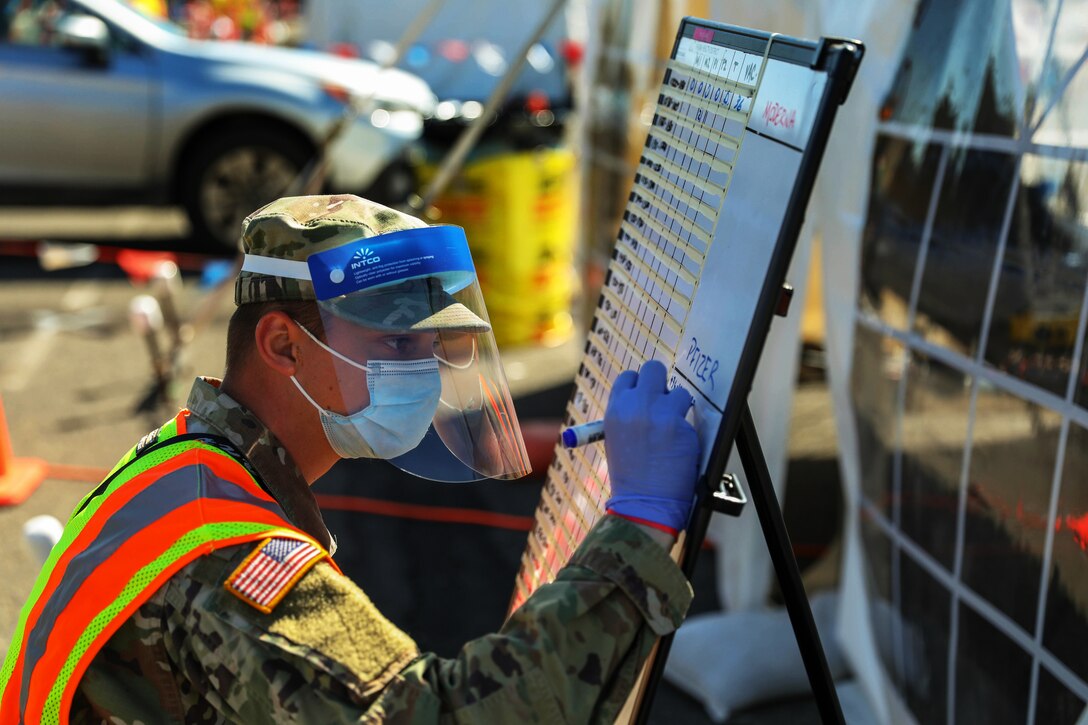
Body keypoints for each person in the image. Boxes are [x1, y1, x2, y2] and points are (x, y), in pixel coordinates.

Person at [0, 194, 701, 723]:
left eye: (432, 349)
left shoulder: (190, 458)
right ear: (282, 345)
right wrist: (637, 526)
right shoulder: (230, 554)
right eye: (397, 346)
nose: (423, 375)